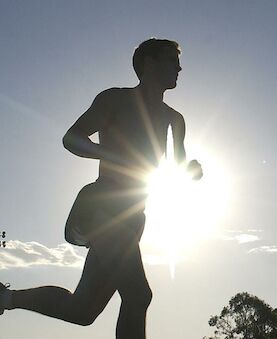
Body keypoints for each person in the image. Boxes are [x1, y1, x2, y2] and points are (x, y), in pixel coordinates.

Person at [0, 38, 202, 339]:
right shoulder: (115, 100)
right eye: (172, 61)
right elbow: (72, 138)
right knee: (138, 295)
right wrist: (110, 154)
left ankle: (7, 299)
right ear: (148, 63)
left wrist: (191, 172)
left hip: (133, 216)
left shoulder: (175, 120)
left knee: (82, 311)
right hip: (101, 204)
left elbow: (177, 169)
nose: (179, 68)